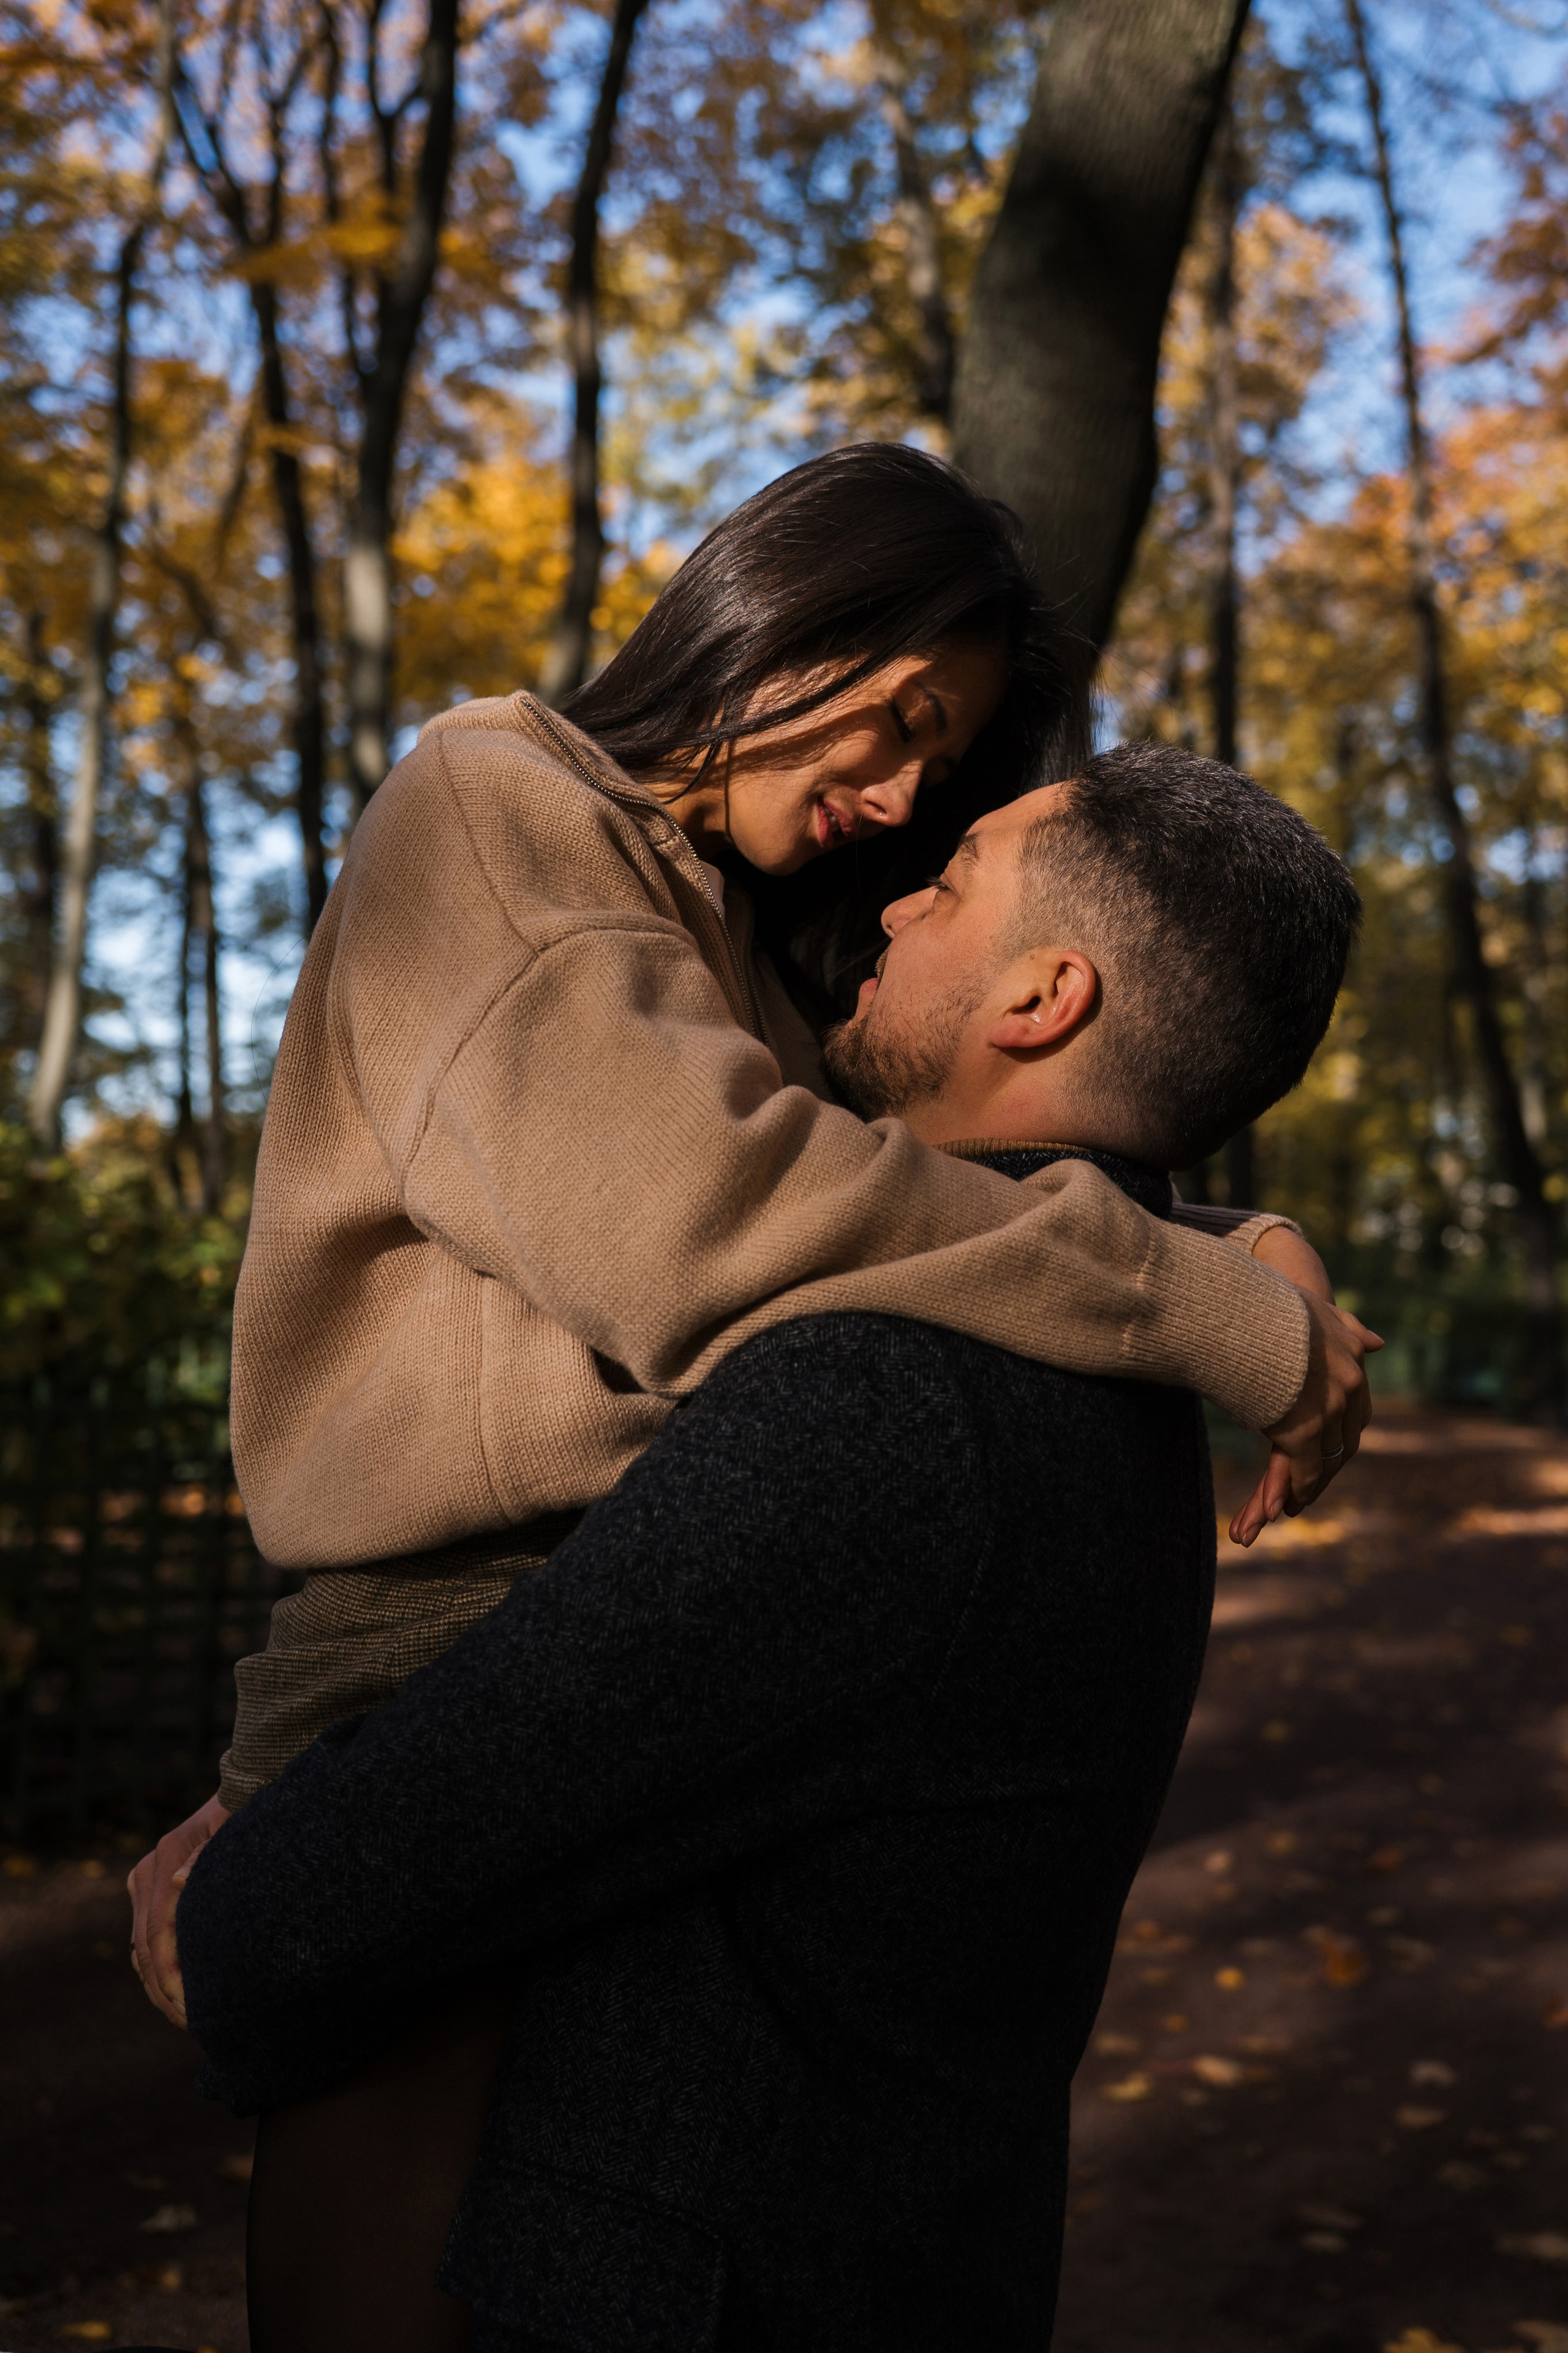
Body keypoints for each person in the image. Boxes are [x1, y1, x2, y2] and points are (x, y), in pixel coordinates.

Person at [174, 745, 1376, 2353]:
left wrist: (222, 1888)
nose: (893, 897)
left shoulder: (887, 1402)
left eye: (949, 887)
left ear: (1042, 998)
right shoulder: (1133, 1375)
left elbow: (337, 1894)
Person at [132, 447, 1367, 2012]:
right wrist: (1198, 1296)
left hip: (628, 1616)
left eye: (947, 765)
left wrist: (1241, 1237)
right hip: (439, 1638)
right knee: (402, 2231)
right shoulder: (494, 813)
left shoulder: (745, 943)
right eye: (906, 720)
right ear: (788, 618)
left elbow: (889, 1199)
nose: (910, 796)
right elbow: (709, 1222)